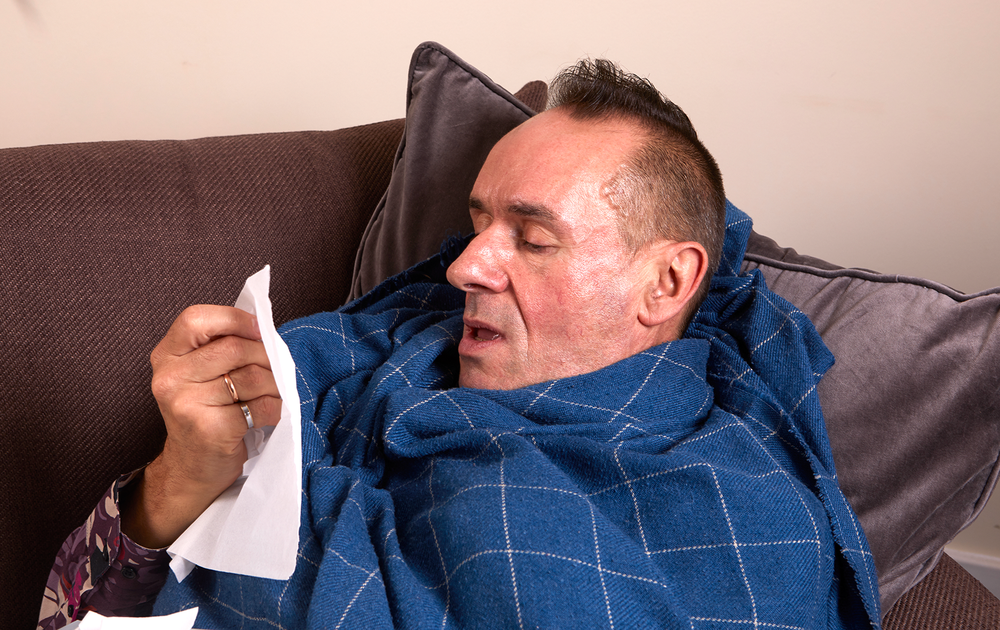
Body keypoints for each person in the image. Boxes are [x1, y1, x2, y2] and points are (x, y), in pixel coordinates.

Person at [39, 60, 879, 629]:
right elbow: (69, 614)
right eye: (478, 221)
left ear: (664, 284)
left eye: (534, 238)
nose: (469, 266)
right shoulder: (348, 364)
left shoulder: (747, 514)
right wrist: (180, 478)